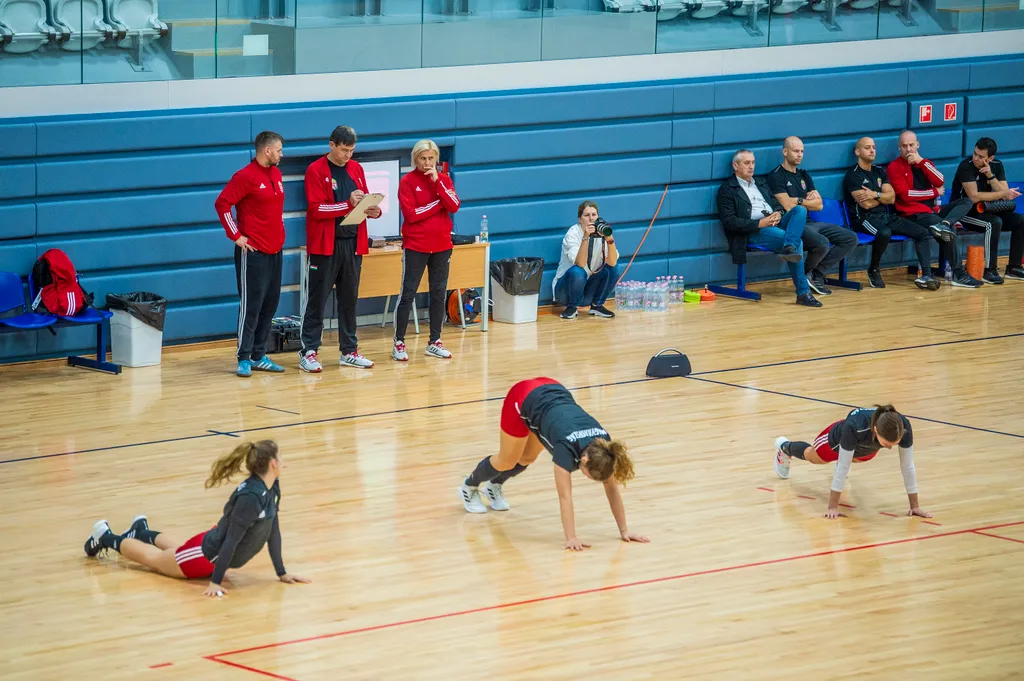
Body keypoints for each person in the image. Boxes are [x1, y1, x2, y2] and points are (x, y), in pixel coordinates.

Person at [83, 440, 310, 598]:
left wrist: (282, 572)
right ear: (272, 463)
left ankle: (141, 531)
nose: (283, 460)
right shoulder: (251, 497)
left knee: (178, 551)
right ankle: (105, 536)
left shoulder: (271, 487)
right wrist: (216, 582)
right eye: (280, 456)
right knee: (155, 559)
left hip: (209, 550)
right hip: (205, 556)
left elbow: (272, 529)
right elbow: (230, 542)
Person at [457, 377, 649, 551]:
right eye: (588, 475)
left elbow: (612, 489)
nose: (587, 478)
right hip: (522, 398)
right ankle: (469, 486)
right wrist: (571, 537)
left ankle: (494, 486)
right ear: (583, 460)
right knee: (507, 460)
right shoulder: (566, 450)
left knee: (527, 458)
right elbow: (565, 496)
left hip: (552, 390)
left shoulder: (604, 448)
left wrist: (624, 530)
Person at [298, 125, 381, 373]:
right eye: (344, 150)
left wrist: (373, 210)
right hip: (325, 246)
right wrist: (347, 204)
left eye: (352, 150)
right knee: (317, 300)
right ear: (331, 145)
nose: (348, 155)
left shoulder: (356, 168)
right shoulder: (315, 170)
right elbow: (316, 209)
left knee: (349, 300)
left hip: (352, 244)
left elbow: (361, 202)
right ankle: (309, 352)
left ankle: (349, 351)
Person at [773, 405, 931, 520]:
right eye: (887, 443)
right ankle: (784, 448)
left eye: (893, 443)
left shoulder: (903, 427)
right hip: (835, 440)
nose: (890, 448)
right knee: (814, 457)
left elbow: (907, 466)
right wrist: (832, 508)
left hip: (863, 448)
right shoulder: (854, 427)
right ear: (876, 430)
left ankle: (847, 456)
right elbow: (842, 467)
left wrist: (914, 506)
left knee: (860, 458)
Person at [215, 131, 288, 377]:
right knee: (251, 306)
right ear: (267, 150)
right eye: (279, 150)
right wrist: (236, 235)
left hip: (275, 251)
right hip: (253, 253)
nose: (281, 154)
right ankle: (244, 357)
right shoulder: (245, 176)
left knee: (270, 304)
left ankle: (259, 355)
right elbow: (222, 204)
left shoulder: (276, 174)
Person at [716, 149, 821, 307]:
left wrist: (778, 213)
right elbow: (730, 221)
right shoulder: (727, 189)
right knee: (798, 243)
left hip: (774, 223)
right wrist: (760, 223)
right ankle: (803, 293)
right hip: (753, 230)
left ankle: (789, 246)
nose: (751, 166)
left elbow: (777, 205)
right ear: (735, 165)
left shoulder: (761, 183)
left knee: (800, 210)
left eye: (753, 162)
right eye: (746, 163)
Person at [888, 130, 982, 288]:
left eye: (911, 145)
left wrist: (922, 161)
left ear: (918, 145)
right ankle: (958, 273)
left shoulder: (925, 163)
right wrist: (934, 192)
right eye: (904, 146)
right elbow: (905, 195)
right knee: (948, 230)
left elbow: (940, 179)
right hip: (913, 213)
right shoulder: (894, 167)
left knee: (966, 201)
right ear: (899, 148)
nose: (909, 149)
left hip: (933, 211)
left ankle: (944, 224)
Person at [393, 140, 460, 362]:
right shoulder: (407, 182)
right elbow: (411, 215)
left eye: (431, 158)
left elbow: (454, 205)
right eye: (423, 158)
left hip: (442, 245)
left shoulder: (444, 180)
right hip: (416, 245)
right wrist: (438, 203)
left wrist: (439, 186)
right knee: (407, 294)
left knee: (439, 294)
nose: (427, 163)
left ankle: (434, 341)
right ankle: (399, 342)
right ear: (415, 159)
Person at [843, 137, 940, 290]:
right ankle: (873, 269)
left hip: (885, 216)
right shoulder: (853, 175)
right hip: (863, 218)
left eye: (873, 147)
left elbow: (892, 198)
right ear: (857, 152)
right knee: (884, 233)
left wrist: (875, 194)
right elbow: (866, 204)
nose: (872, 150)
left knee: (921, 233)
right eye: (867, 147)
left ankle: (926, 275)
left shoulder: (879, 171)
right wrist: (882, 196)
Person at [767, 136, 857, 296]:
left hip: (811, 222)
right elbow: (788, 206)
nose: (800, 155)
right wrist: (805, 201)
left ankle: (815, 274)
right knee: (822, 243)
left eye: (802, 151)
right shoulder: (776, 176)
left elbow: (819, 205)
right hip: (793, 224)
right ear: (785, 152)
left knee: (850, 238)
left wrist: (798, 200)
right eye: (796, 151)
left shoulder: (804, 175)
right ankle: (804, 276)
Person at [951, 136, 1024, 284]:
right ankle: (989, 270)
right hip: (965, 212)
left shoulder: (997, 165)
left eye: (981, 157)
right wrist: (1003, 193)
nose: (976, 158)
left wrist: (990, 175)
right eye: (975, 154)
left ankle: (1014, 267)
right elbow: (974, 196)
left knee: (1021, 221)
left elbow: (1004, 192)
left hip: (988, 209)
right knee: (994, 223)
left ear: (990, 158)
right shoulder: (966, 166)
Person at [552, 200, 621, 320]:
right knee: (578, 271)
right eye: (586, 215)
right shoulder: (573, 233)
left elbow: (612, 263)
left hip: (587, 291)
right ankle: (571, 308)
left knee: (614, 269)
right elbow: (580, 263)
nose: (591, 219)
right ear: (579, 219)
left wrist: (609, 239)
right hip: (565, 292)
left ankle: (597, 306)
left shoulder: (601, 232)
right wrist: (586, 237)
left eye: (594, 215)